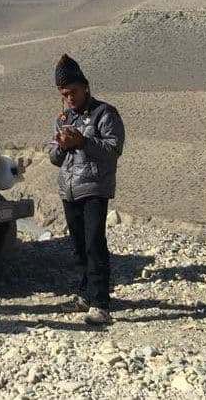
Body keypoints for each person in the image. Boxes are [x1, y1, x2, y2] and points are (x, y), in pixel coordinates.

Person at [47, 54, 125, 325]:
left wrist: (82, 142)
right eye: (64, 93)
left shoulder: (105, 113)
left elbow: (113, 149)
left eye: (73, 92)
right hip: (69, 188)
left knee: (94, 243)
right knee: (78, 245)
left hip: (93, 187)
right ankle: (84, 293)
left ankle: (101, 302)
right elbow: (53, 156)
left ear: (86, 88)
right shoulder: (63, 118)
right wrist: (62, 146)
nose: (69, 97)